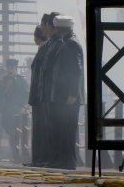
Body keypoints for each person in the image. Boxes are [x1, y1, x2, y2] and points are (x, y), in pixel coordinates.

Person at [47, 15, 83, 170]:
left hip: (67, 96)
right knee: (61, 128)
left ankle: (68, 161)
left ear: (58, 28)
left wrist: (72, 93)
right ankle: (61, 160)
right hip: (61, 95)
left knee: (67, 129)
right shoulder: (67, 43)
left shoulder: (71, 44)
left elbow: (76, 70)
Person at [28, 14, 59, 166]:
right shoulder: (44, 48)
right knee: (39, 129)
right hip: (39, 95)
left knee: (43, 129)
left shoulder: (46, 48)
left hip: (42, 95)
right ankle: (38, 159)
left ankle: (42, 159)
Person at [0, 57, 29, 162]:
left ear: (15, 68)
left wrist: (24, 107)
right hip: (4, 112)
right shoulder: (3, 80)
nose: (10, 69)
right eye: (9, 67)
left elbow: (27, 95)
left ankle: (16, 155)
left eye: (12, 67)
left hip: (17, 112)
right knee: (0, 132)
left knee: (14, 134)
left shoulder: (21, 80)